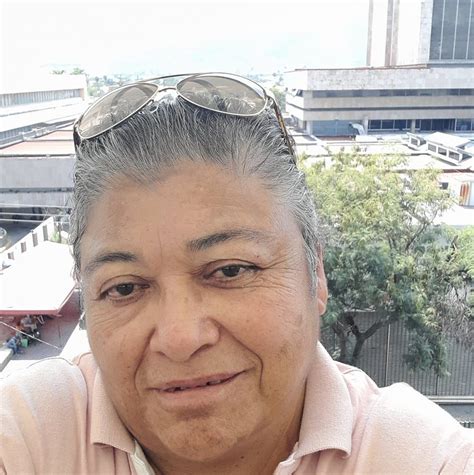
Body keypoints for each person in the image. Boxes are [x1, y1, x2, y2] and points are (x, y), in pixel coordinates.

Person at [0, 73, 472, 474]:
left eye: (230, 270)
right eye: (124, 287)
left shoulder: (420, 457)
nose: (180, 339)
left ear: (316, 275)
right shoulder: (32, 434)